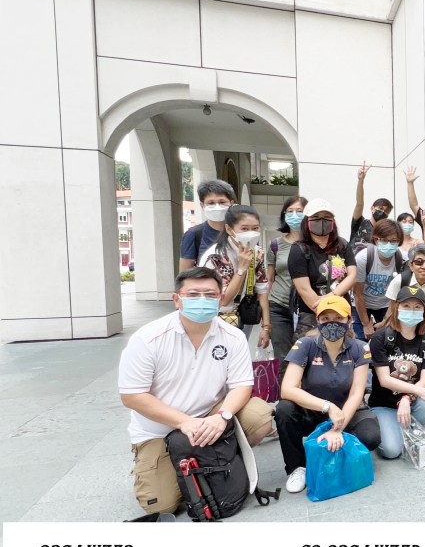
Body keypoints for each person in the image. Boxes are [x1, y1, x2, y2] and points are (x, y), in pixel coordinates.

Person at [118, 267, 274, 514]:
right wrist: (184, 422)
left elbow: (241, 385)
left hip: (210, 413)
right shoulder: (148, 339)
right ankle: (167, 463)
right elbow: (132, 396)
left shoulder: (232, 337)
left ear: (220, 300)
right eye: (193, 294)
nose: (202, 300)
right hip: (160, 430)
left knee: (259, 416)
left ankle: (222, 457)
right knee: (162, 505)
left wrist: (222, 417)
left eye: (210, 295)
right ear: (177, 299)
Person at [275, 296, 382, 493]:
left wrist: (337, 428)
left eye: (338, 318)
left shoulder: (360, 348)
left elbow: (357, 393)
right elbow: (287, 388)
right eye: (325, 319)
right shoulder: (305, 345)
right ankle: (297, 467)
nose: (332, 323)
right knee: (284, 409)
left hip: (347, 409)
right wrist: (327, 406)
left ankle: (338, 451)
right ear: (317, 320)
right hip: (313, 408)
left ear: (349, 320)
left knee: (370, 436)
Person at [367, 287, 425, 458]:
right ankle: (403, 431)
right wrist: (412, 393)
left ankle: (406, 429)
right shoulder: (380, 337)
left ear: (424, 311)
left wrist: (406, 398)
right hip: (384, 404)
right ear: (396, 307)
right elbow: (385, 380)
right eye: (406, 306)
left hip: (412, 403)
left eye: (417, 307)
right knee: (392, 451)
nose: (411, 311)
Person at [199, 204, 271, 347]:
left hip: (242, 315)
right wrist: (242, 268)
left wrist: (266, 327)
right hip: (215, 317)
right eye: (244, 229)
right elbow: (224, 299)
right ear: (229, 229)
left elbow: (262, 292)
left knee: (239, 354)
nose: (251, 233)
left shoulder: (257, 252)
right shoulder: (217, 256)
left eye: (255, 228)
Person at [288, 198, 357, 339]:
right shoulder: (299, 249)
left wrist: (333, 297)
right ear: (307, 221)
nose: (321, 221)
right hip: (312, 316)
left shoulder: (342, 245)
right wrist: (326, 316)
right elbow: (304, 289)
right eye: (316, 217)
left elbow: (352, 275)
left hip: (341, 314)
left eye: (326, 217)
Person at [266, 195, 308, 373]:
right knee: (283, 357)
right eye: (290, 211)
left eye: (299, 211)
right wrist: (265, 319)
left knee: (306, 355)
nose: (294, 215)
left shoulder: (313, 244)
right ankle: (285, 390)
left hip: (306, 308)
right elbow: (269, 280)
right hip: (278, 306)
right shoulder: (275, 245)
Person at [354, 218, 404, 337]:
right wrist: (366, 324)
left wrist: (386, 320)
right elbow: (357, 293)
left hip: (385, 305)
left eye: (393, 241)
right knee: (361, 340)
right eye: (384, 240)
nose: (389, 244)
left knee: (388, 338)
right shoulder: (363, 258)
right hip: (362, 304)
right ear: (376, 240)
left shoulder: (399, 258)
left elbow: (395, 294)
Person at [179, 179, 235, 272]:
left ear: (231, 204)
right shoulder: (193, 234)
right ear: (202, 205)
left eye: (222, 202)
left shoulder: (242, 231)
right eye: (211, 203)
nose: (217, 207)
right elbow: (184, 274)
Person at [350, 162, 392, 247]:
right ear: (372, 208)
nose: (383, 212)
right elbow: (359, 203)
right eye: (381, 208)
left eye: (386, 211)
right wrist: (361, 180)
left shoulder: (384, 232)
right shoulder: (360, 223)